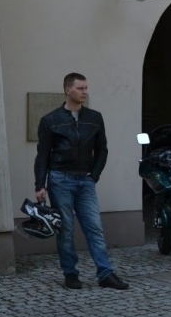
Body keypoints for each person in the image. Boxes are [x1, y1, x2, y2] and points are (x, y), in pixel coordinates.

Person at [34, 73, 128, 290]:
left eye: (86, 88)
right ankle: (70, 273)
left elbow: (102, 149)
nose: (85, 92)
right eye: (80, 88)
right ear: (68, 90)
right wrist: (40, 184)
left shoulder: (94, 117)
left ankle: (105, 274)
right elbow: (43, 155)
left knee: (94, 228)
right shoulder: (50, 120)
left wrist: (94, 175)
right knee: (65, 229)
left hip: (85, 180)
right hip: (60, 179)